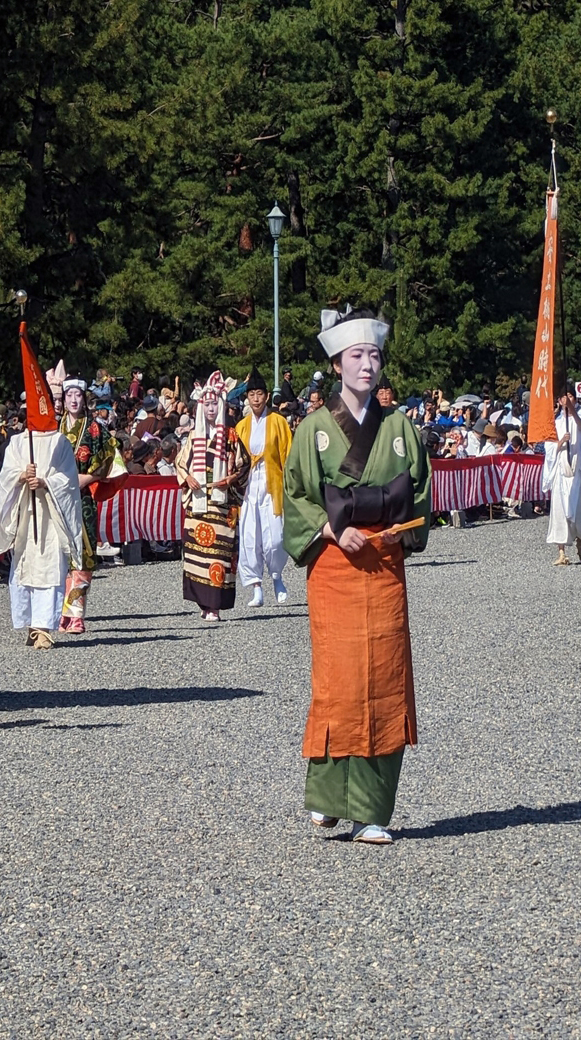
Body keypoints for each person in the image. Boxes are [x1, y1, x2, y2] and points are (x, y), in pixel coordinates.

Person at [282, 308, 431, 845]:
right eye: (356, 356)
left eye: (373, 355)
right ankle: (326, 800)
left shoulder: (399, 429)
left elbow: (419, 496)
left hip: (384, 565)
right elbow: (295, 493)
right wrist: (327, 528)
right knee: (339, 681)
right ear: (337, 363)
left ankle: (372, 811)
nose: (367, 365)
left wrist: (402, 531)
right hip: (334, 566)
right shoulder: (314, 430)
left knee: (385, 681)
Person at [0, 403, 82, 650]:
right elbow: (5, 475)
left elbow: (68, 479)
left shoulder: (60, 441)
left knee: (50, 569)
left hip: (51, 517)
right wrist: (21, 476)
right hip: (25, 514)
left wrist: (45, 482)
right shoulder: (19, 442)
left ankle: (43, 627)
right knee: (24, 568)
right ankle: (31, 624)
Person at [177, 373, 250, 622]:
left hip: (221, 504)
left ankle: (215, 605)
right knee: (197, 554)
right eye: (206, 404)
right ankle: (202, 601)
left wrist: (231, 479)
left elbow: (244, 465)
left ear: (221, 405)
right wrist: (187, 478)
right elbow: (180, 463)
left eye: (214, 403)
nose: (210, 408)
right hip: (197, 505)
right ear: (200, 406)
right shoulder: (193, 437)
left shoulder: (231, 437)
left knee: (219, 554)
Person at [59, 377, 113, 634]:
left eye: (77, 395)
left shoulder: (94, 428)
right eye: (68, 394)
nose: (73, 399)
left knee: (82, 554)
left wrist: (87, 478)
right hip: (55, 499)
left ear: (84, 398)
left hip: (82, 499)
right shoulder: (52, 428)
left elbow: (108, 457)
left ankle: (76, 613)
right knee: (58, 557)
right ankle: (60, 612)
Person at [234, 368, 292, 607]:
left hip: (271, 484)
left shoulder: (278, 422)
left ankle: (277, 576)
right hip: (248, 487)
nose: (256, 399)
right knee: (250, 537)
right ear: (247, 398)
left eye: (260, 394)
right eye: (252, 394)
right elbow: (234, 459)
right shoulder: (241, 427)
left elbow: (289, 456)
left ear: (267, 396)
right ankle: (256, 586)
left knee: (275, 537)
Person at [543, 388, 581, 564]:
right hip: (560, 469)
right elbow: (549, 449)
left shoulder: (579, 416)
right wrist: (560, 442)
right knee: (559, 511)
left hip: (575, 469)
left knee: (578, 509)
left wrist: (570, 409)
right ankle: (561, 552)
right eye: (563, 398)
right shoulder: (555, 422)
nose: (566, 400)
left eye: (570, 396)